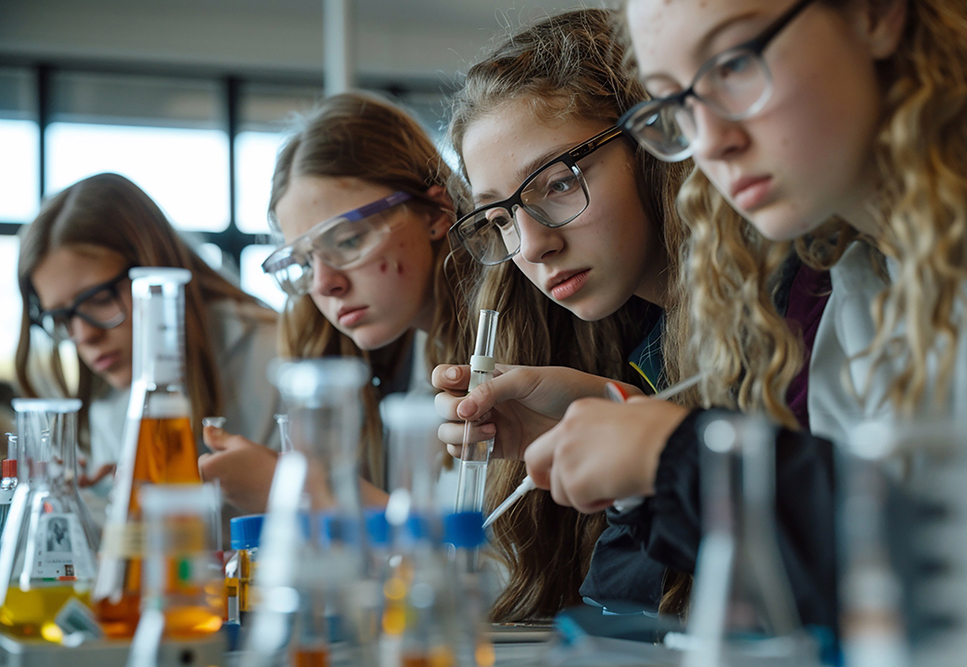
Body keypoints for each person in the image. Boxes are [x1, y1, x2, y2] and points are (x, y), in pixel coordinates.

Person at [512, 0, 967, 629]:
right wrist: (646, 445)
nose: (710, 141)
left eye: (734, 63)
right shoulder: (862, 277)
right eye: (677, 104)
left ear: (875, 15)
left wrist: (686, 458)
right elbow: (871, 578)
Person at [434, 9, 701, 620]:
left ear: (652, 141)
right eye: (500, 218)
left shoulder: (781, 315)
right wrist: (616, 415)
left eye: (557, 183)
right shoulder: (646, 349)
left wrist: (638, 430)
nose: (530, 247)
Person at [197, 92, 468, 513]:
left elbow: (496, 566)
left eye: (348, 241)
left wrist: (302, 493)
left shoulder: (507, 341)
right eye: (304, 261)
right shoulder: (393, 355)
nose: (324, 284)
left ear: (435, 213)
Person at [17, 172, 281, 517]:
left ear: (153, 265)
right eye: (63, 318)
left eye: (98, 298)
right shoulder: (109, 396)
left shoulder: (276, 354)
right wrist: (96, 507)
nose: (84, 336)